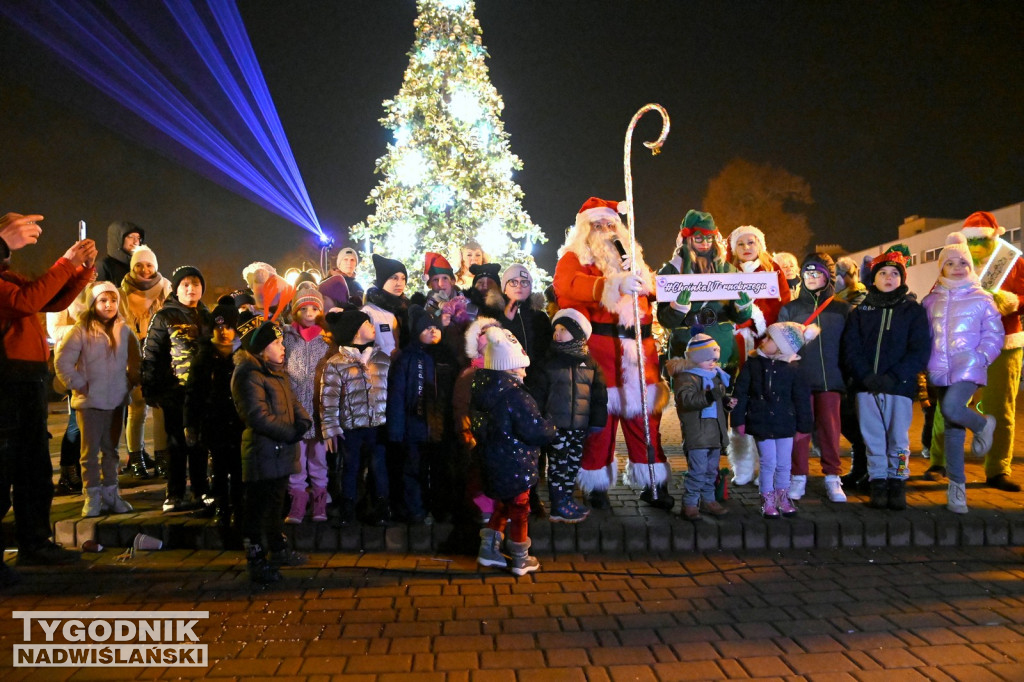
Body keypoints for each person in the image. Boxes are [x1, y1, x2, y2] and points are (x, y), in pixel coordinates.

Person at [553, 198, 672, 511]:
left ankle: (654, 483)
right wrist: (613, 284)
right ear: (585, 229)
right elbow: (568, 286)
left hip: (641, 354)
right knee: (600, 425)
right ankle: (597, 485)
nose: (606, 230)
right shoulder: (574, 257)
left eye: (610, 224)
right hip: (603, 354)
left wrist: (662, 291)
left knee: (646, 422)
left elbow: (655, 292)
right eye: (598, 225)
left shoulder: (632, 258)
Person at [0, 211, 94, 579]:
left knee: (34, 469)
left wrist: (80, 270)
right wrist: (66, 262)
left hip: (27, 383)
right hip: (6, 384)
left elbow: (47, 299)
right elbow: (27, 301)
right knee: (5, 468)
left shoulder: (8, 278)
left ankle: (35, 543)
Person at [842, 246, 931, 510]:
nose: (889, 278)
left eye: (895, 273)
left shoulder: (911, 311)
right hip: (866, 387)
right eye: (883, 273)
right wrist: (865, 376)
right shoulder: (861, 312)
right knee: (873, 438)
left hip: (899, 386)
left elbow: (920, 349)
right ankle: (878, 481)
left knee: (898, 439)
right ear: (873, 278)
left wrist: (896, 376)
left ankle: (898, 480)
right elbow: (851, 349)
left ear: (902, 278)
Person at [921, 233, 1002, 514]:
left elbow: (994, 335)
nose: (957, 267)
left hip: (968, 366)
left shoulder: (983, 299)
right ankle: (957, 488)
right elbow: (925, 335)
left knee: (954, 408)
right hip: (939, 369)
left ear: (971, 267)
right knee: (952, 428)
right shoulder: (930, 301)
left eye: (963, 263)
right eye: (950, 263)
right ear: (941, 268)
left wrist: (980, 357)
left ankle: (982, 425)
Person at [231, 317, 312, 583]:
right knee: (258, 506)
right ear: (263, 348)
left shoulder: (277, 372)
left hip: (280, 452)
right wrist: (290, 432)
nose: (282, 347)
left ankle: (277, 549)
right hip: (262, 452)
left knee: (276, 502)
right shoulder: (249, 374)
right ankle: (256, 559)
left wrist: (303, 421)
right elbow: (257, 416)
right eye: (277, 343)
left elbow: (292, 402)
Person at [472, 327, 556, 575]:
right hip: (516, 464)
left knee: (501, 505)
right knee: (520, 510)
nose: (525, 371)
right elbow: (534, 430)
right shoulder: (516, 396)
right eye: (521, 367)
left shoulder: (481, 390)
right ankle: (521, 558)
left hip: (493, 463)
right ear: (508, 367)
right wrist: (550, 424)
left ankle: (488, 550)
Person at [55, 281, 140, 517]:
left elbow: (136, 359)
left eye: (113, 300)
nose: (109, 305)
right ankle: (92, 496)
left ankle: (112, 494)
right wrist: (79, 384)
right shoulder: (80, 329)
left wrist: (131, 381)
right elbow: (62, 361)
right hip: (89, 401)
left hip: (116, 400)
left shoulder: (124, 329)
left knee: (112, 450)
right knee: (89, 452)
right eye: (103, 300)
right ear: (93, 303)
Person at [778, 253, 851, 503]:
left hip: (831, 379)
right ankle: (798, 476)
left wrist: (848, 375)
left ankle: (833, 477)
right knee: (800, 431)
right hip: (800, 380)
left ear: (827, 276)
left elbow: (850, 346)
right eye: (807, 273)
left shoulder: (842, 308)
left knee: (831, 431)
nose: (811, 278)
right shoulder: (791, 308)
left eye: (817, 273)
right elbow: (780, 344)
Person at [960, 211, 1024, 492]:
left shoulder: (1013, 262)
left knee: (1001, 409)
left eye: (981, 240)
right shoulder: (957, 261)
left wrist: (1013, 303)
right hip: (967, 344)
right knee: (950, 406)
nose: (976, 247)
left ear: (994, 237)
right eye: (971, 241)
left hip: (1006, 343)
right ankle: (941, 461)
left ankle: (998, 469)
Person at [141, 265, 213, 512]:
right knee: (176, 443)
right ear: (176, 288)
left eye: (195, 284)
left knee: (201, 442)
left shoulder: (208, 316)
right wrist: (150, 388)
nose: (191, 289)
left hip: (202, 392)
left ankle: (202, 489)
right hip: (175, 392)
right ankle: (174, 492)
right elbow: (151, 354)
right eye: (185, 284)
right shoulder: (164, 316)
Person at [726, 224, 791, 487]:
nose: (746, 248)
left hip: (765, 348)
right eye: (741, 243)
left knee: (763, 406)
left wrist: (768, 336)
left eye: (751, 242)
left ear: (760, 246)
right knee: (737, 405)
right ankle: (742, 465)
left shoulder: (773, 272)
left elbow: (783, 307)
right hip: (735, 346)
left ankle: (766, 465)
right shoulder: (725, 272)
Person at [732, 322, 815, 519]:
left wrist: (804, 426)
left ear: (782, 346)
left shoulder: (793, 368)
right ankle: (767, 499)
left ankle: (783, 497)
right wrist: (738, 419)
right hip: (761, 421)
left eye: (770, 338)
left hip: (785, 422)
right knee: (768, 462)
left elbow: (802, 398)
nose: (764, 340)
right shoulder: (753, 363)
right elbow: (741, 392)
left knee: (784, 463)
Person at [533, 308, 608, 523]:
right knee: (558, 465)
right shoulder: (548, 361)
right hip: (556, 426)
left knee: (573, 464)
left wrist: (597, 421)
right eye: (556, 329)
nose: (557, 333)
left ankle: (566, 499)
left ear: (578, 334)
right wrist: (540, 420)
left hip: (579, 425)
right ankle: (558, 505)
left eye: (564, 329)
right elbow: (538, 394)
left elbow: (599, 396)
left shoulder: (590, 363)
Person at [387, 305, 458, 524]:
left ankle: (440, 508)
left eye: (435, 328)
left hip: (442, 426)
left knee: (441, 470)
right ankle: (415, 509)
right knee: (413, 470)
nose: (432, 331)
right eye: (426, 328)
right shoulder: (407, 358)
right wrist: (396, 429)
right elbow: (397, 395)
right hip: (414, 426)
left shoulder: (448, 357)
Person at [657, 210, 753, 372]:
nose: (705, 243)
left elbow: (738, 317)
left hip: (721, 345)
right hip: (686, 345)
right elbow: (664, 319)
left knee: (722, 394)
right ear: (687, 238)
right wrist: (677, 308)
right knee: (688, 392)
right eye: (699, 238)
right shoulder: (671, 271)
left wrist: (742, 308)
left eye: (709, 238)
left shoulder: (728, 270)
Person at [320, 309, 391, 525]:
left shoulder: (382, 359)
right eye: (367, 324)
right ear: (355, 331)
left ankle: (381, 508)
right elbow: (328, 398)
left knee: (379, 466)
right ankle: (348, 508)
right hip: (350, 427)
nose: (372, 327)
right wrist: (329, 428)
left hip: (377, 425)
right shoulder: (336, 363)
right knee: (350, 467)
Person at [186, 297, 244, 529]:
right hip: (215, 422)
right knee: (219, 467)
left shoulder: (243, 356)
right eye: (219, 327)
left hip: (239, 422)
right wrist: (190, 423)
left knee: (239, 468)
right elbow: (193, 392)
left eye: (228, 326)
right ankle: (221, 505)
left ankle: (239, 507)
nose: (223, 332)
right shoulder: (204, 356)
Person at [667, 328, 734, 521]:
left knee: (711, 471)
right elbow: (687, 401)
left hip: (714, 432)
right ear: (696, 358)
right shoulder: (686, 376)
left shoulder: (714, 374)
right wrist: (711, 395)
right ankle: (689, 504)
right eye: (709, 359)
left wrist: (726, 403)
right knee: (697, 471)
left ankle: (708, 499)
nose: (714, 362)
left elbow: (716, 402)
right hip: (697, 434)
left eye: (715, 358)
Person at [118, 244, 172, 478]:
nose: (144, 270)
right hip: (132, 355)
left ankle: (162, 456)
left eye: (149, 265)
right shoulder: (121, 292)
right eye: (138, 265)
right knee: (136, 408)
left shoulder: (166, 288)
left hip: (159, 356)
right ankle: (136, 457)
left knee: (159, 407)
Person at [282, 283, 333, 524]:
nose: (310, 313)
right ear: (296, 311)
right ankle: (298, 502)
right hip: (295, 411)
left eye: (314, 308)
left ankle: (320, 501)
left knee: (319, 459)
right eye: (304, 308)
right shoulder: (286, 336)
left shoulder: (327, 339)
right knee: (296, 460)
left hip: (319, 410)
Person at [363, 254, 410, 355]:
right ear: (382, 281)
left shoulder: (406, 307)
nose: (400, 283)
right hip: (379, 368)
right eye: (394, 278)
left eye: (403, 278)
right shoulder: (369, 311)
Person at [95, 220, 143, 285]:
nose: (136, 242)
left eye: (138, 237)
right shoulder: (103, 266)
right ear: (117, 239)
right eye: (131, 237)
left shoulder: (140, 266)